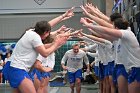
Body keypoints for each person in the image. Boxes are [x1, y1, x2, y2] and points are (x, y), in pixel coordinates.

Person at [2, 7, 74, 93]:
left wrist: (63, 16)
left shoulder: (32, 31)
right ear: (45, 32)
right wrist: (56, 43)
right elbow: (45, 53)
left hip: (13, 66)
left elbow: (48, 25)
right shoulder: (35, 38)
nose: (49, 35)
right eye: (48, 33)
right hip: (17, 68)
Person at [80, 17, 140, 93]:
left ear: (116, 28)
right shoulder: (119, 38)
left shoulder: (127, 33)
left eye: (113, 27)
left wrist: (88, 24)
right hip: (128, 68)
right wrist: (89, 27)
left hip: (135, 68)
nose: (111, 29)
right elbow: (101, 36)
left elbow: (105, 30)